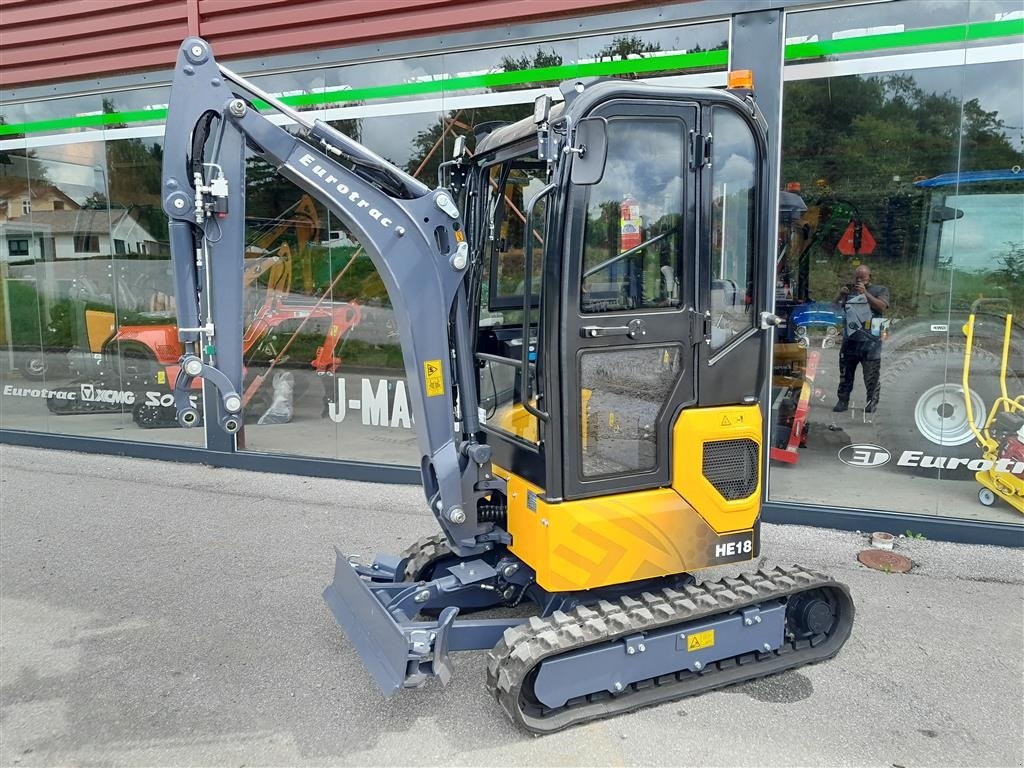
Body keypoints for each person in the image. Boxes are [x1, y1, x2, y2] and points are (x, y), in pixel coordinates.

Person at [833, 264, 889, 413]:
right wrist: (840, 295)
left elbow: (882, 307)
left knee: (871, 375)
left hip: (871, 341)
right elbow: (834, 308)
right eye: (857, 278)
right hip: (850, 339)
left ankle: (872, 402)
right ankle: (842, 400)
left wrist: (866, 294)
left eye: (862, 278)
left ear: (869, 277)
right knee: (845, 373)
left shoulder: (880, 290)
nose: (859, 281)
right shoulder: (849, 290)